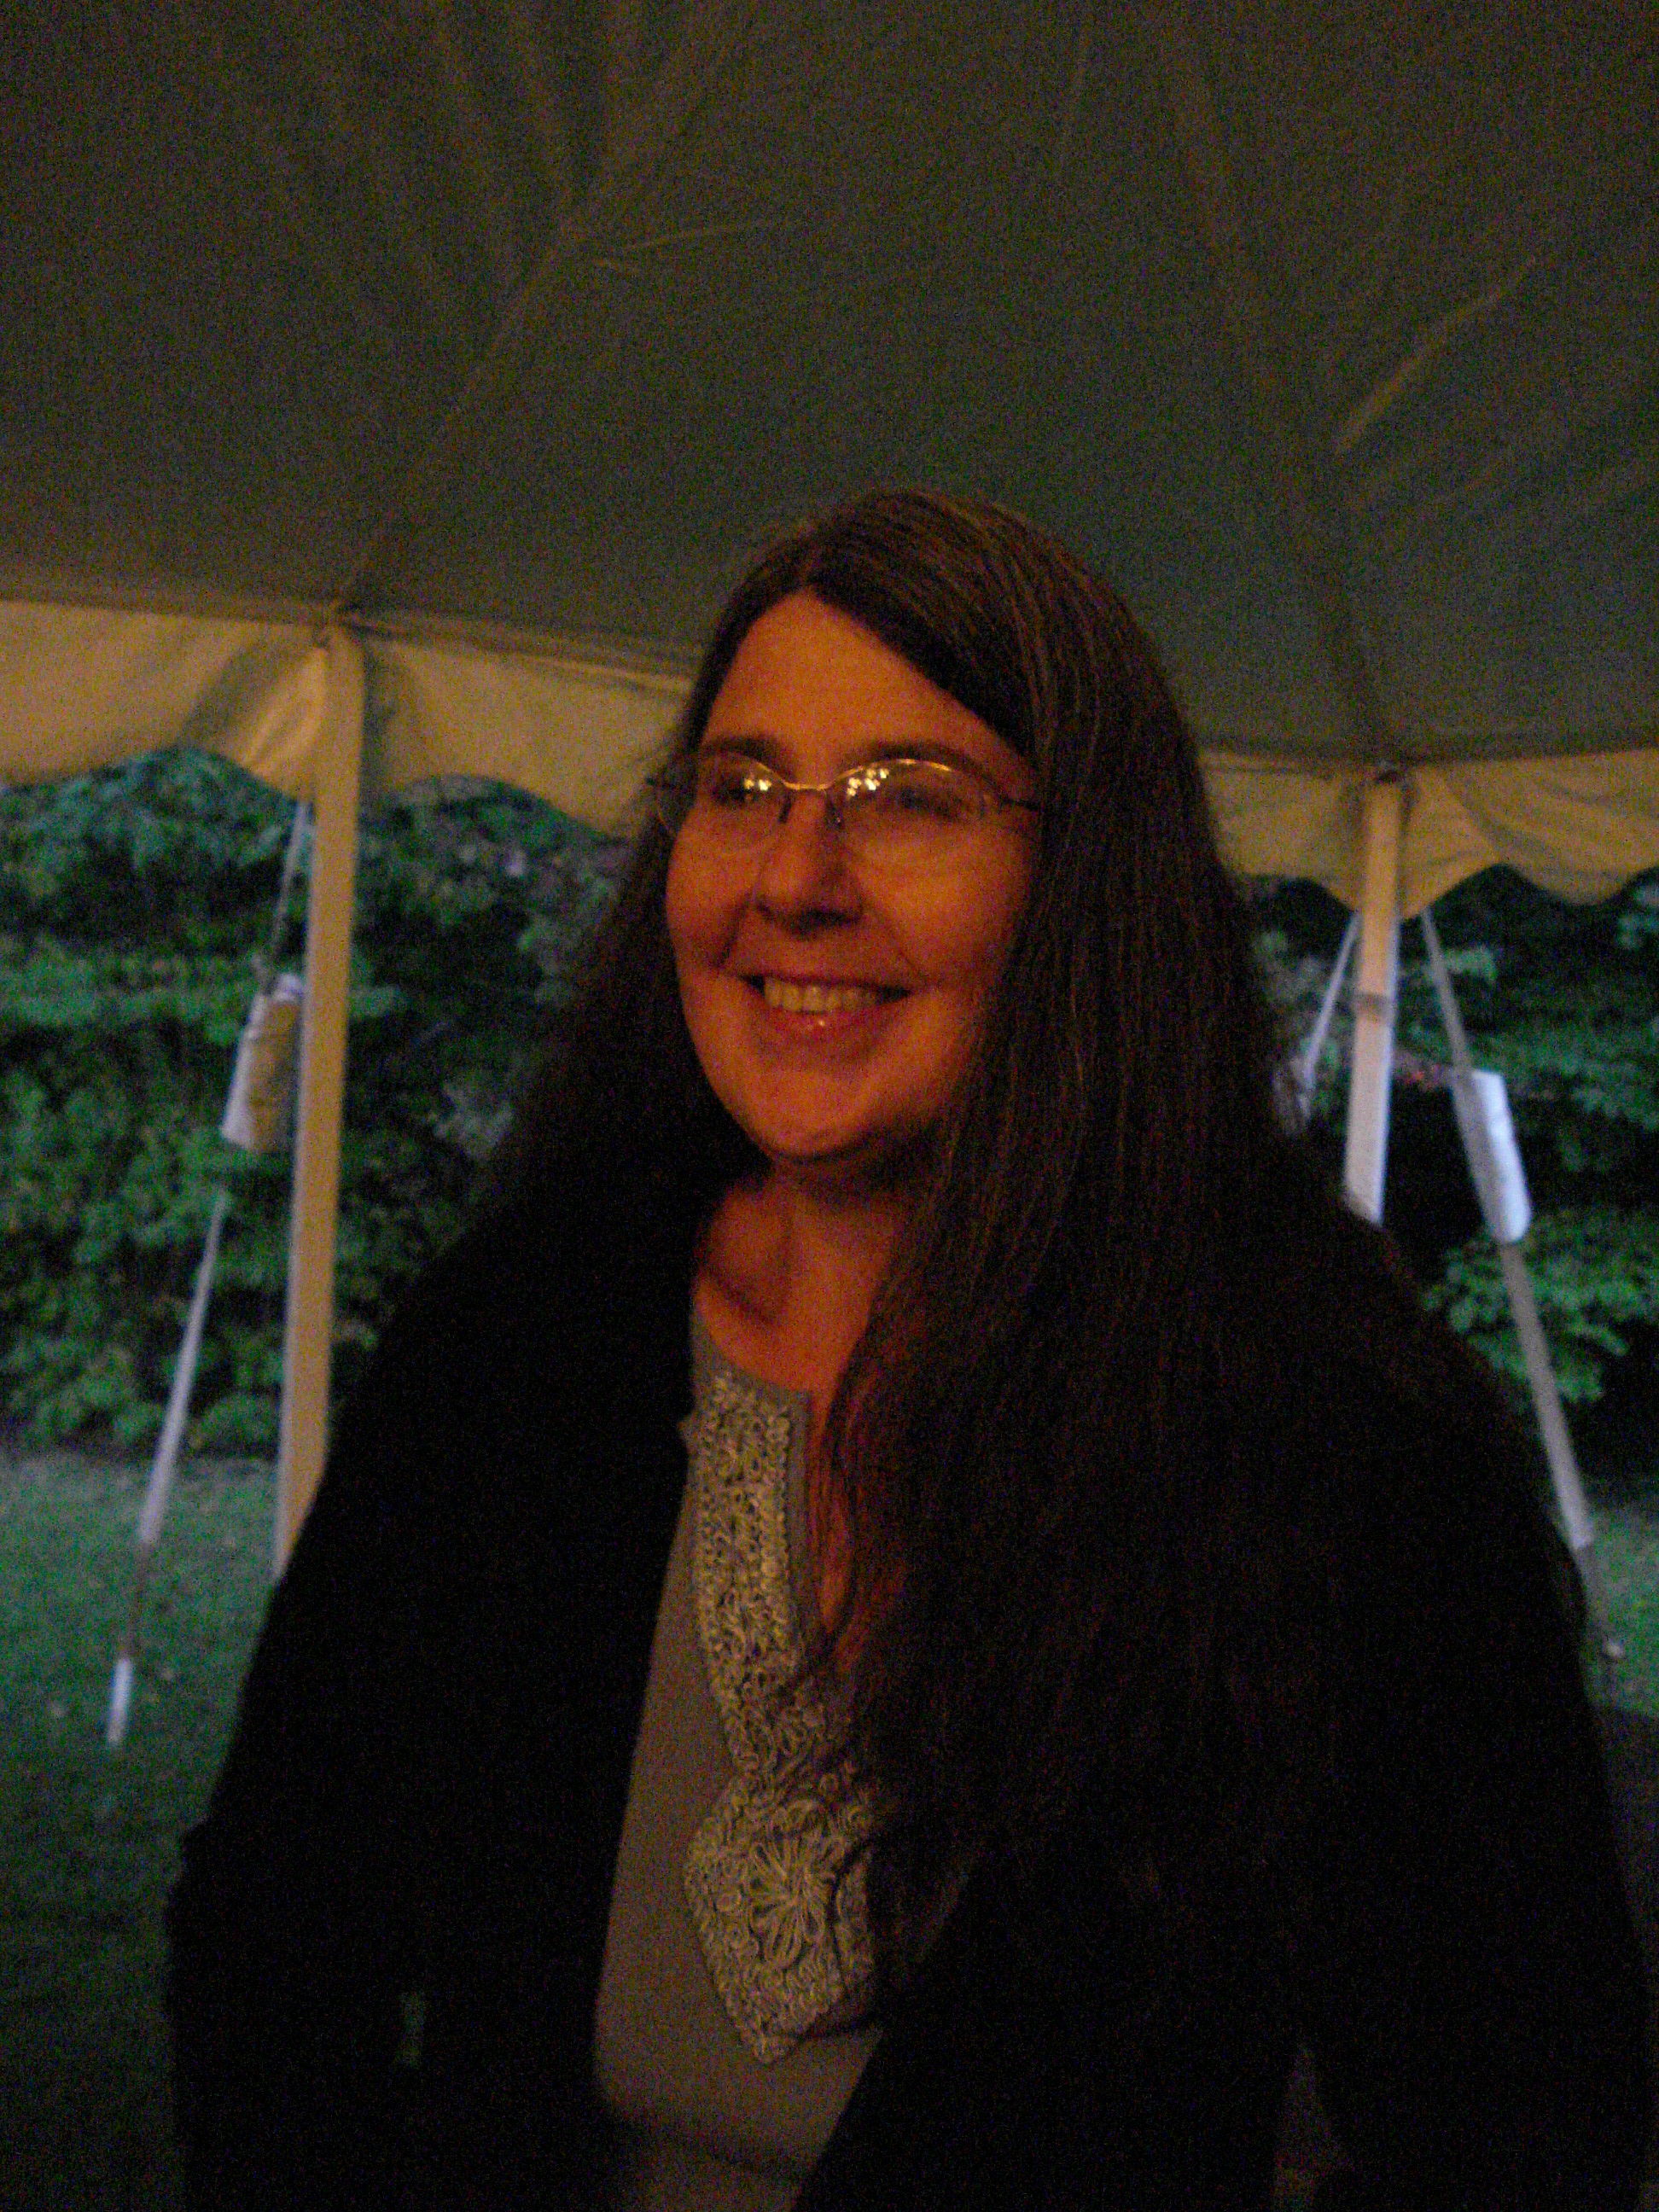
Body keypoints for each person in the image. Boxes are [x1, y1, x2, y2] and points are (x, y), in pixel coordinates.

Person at [166, 490, 1650, 2209]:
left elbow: (1526, 2122)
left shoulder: (1322, 1437)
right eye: (742, 790)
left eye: (908, 799)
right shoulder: (526, 1345)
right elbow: (273, 1931)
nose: (797, 879)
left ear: (1083, 885)